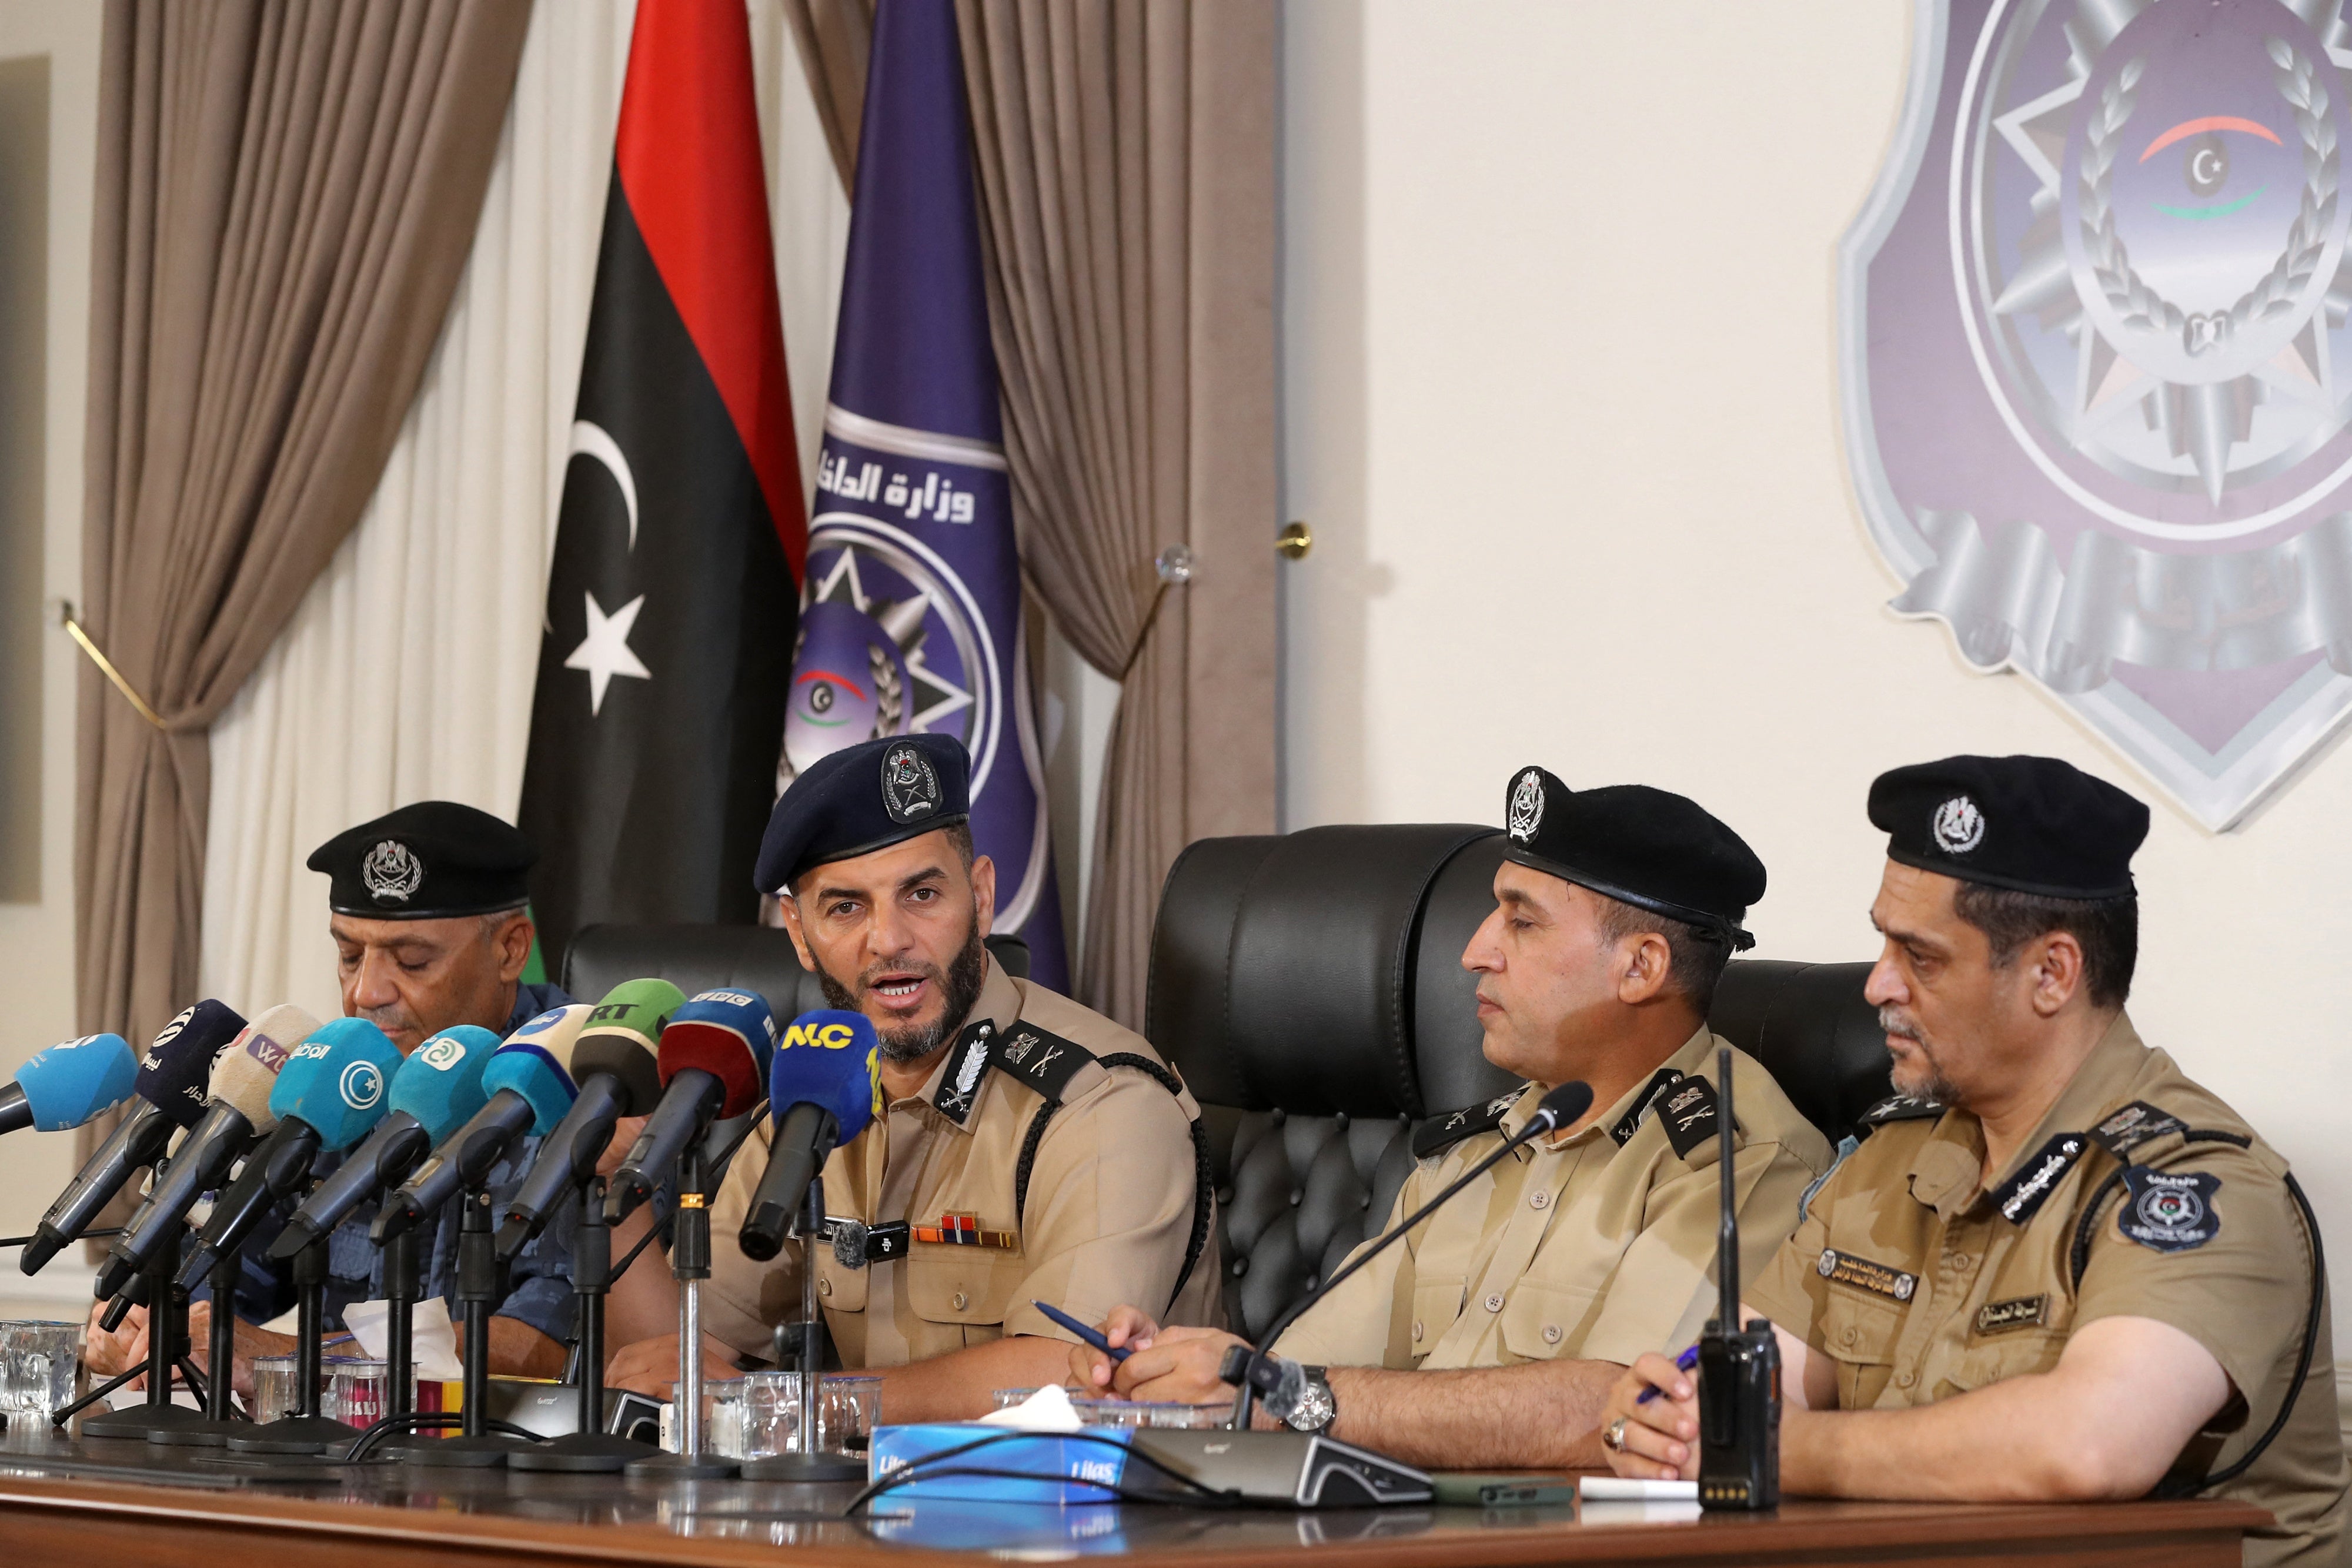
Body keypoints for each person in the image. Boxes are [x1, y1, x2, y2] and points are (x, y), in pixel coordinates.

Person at [1599, 755, 2347, 1568]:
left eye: (1921, 957)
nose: (1879, 983)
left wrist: (1776, 1451)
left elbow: (2090, 1443)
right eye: (1883, 941)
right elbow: (1732, 1390)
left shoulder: (2194, 1182)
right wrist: (1659, 1421)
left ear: (2052, 973)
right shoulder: (1890, 1159)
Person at [1068, 766, 1832, 1470]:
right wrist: (1186, 1373)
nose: (1474, 950)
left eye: (1521, 922)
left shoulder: (1739, 1160)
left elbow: (1627, 1413)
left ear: (1640, 967)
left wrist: (1274, 1395)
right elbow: (1297, 1370)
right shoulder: (1487, 1144)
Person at [605, 734, 1220, 1422]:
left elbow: (1064, 1381)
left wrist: (783, 1404)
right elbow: (672, 1358)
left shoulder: (1102, 1103)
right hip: (860, 1510)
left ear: (982, 898)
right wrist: (615, 1187)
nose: (889, 940)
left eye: (921, 894)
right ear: (800, 934)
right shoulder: (814, 1092)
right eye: (845, 907)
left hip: (1077, 1514)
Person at [85, 802, 665, 1395]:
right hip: (343, 1460)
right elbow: (227, 1273)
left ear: (511, 950)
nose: (367, 992)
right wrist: (149, 1316)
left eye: (412, 960)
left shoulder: (587, 1088)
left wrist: (297, 1356)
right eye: (349, 955)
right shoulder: (337, 1076)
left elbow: (548, 1342)